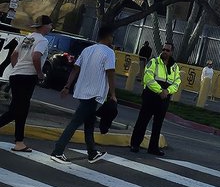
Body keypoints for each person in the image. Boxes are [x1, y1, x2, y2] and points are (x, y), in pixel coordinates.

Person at [50, 27, 117, 164]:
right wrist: (113, 94)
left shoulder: (87, 50)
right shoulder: (109, 52)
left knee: (89, 123)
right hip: (94, 93)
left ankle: (92, 152)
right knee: (75, 122)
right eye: (112, 37)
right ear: (108, 36)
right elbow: (110, 72)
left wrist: (67, 86)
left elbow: (75, 68)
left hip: (81, 90)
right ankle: (57, 151)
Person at [0, 16, 52, 151]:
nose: (51, 27)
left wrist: (17, 67)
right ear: (44, 26)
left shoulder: (27, 37)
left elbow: (13, 55)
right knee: (16, 110)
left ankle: (19, 142)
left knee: (21, 110)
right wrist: (40, 74)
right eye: (50, 25)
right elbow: (36, 56)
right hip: (28, 77)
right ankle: (19, 141)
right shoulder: (42, 40)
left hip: (16, 75)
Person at [129, 42, 181, 156]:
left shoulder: (174, 67)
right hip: (151, 96)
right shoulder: (154, 62)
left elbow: (177, 82)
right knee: (142, 121)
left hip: (164, 98)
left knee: (158, 124)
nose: (165, 52)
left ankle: (153, 148)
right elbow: (148, 78)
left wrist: (167, 91)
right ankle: (135, 144)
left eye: (167, 50)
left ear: (171, 52)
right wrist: (160, 91)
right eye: (163, 49)